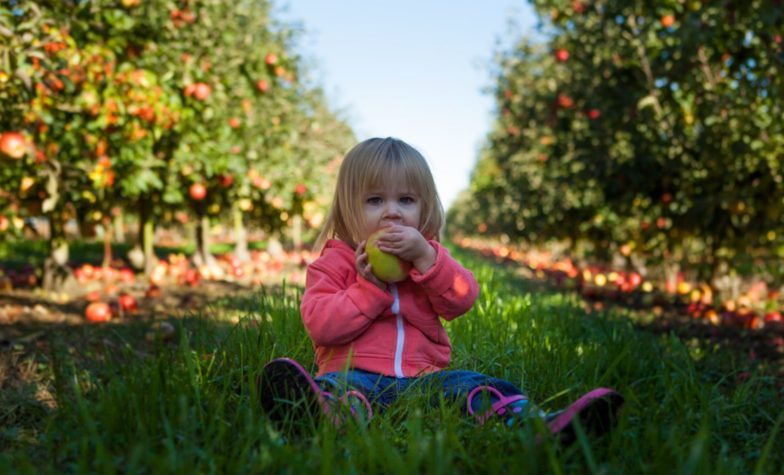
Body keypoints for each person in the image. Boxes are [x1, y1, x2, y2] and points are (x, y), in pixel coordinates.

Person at [258, 137, 623, 442]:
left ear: (424, 207)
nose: (392, 213)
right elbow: (322, 326)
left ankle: (540, 426)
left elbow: (463, 299)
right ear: (346, 207)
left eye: (406, 200)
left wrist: (428, 261)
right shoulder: (333, 264)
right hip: (355, 373)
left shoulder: (428, 258)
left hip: (425, 380)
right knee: (340, 389)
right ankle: (318, 414)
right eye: (374, 200)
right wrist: (368, 290)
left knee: (477, 387)